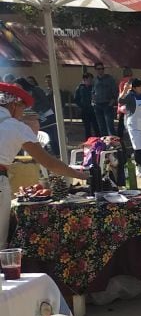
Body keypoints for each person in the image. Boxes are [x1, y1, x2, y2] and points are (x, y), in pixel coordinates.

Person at [0, 83, 86, 245]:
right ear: (14, 105)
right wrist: (79, 175)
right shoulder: (17, 127)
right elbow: (49, 163)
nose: (22, 113)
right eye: (22, 109)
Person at [91, 62, 118, 137]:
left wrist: (112, 101)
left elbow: (115, 91)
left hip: (107, 104)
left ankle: (114, 143)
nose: (101, 70)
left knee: (110, 126)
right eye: (99, 69)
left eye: (102, 68)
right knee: (101, 127)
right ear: (95, 70)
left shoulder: (110, 78)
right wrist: (93, 101)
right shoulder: (95, 80)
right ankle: (104, 144)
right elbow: (93, 91)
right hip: (97, 105)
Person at [74, 72, 99, 140]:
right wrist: (82, 106)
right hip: (85, 111)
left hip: (94, 110)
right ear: (84, 80)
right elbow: (76, 99)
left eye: (91, 79)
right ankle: (88, 141)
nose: (90, 81)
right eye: (89, 79)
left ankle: (98, 140)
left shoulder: (94, 87)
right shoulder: (80, 88)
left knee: (96, 126)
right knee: (87, 127)